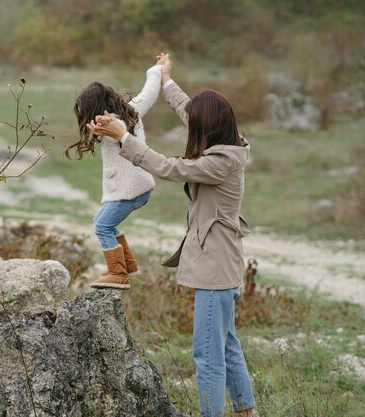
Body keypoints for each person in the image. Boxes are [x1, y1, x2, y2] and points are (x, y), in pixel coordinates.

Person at [88, 53, 260, 417]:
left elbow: (168, 167)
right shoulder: (233, 140)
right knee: (226, 345)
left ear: (208, 128)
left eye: (196, 124)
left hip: (214, 267)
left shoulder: (219, 162)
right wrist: (165, 81)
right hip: (222, 263)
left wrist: (125, 138)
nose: (189, 126)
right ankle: (246, 410)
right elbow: (188, 111)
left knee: (207, 355)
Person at [66, 55, 168, 290]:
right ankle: (128, 265)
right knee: (101, 221)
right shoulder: (132, 110)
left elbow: (120, 130)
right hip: (136, 187)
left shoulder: (115, 123)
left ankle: (118, 273)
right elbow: (149, 93)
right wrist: (157, 70)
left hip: (129, 190)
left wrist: (107, 126)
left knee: (101, 226)